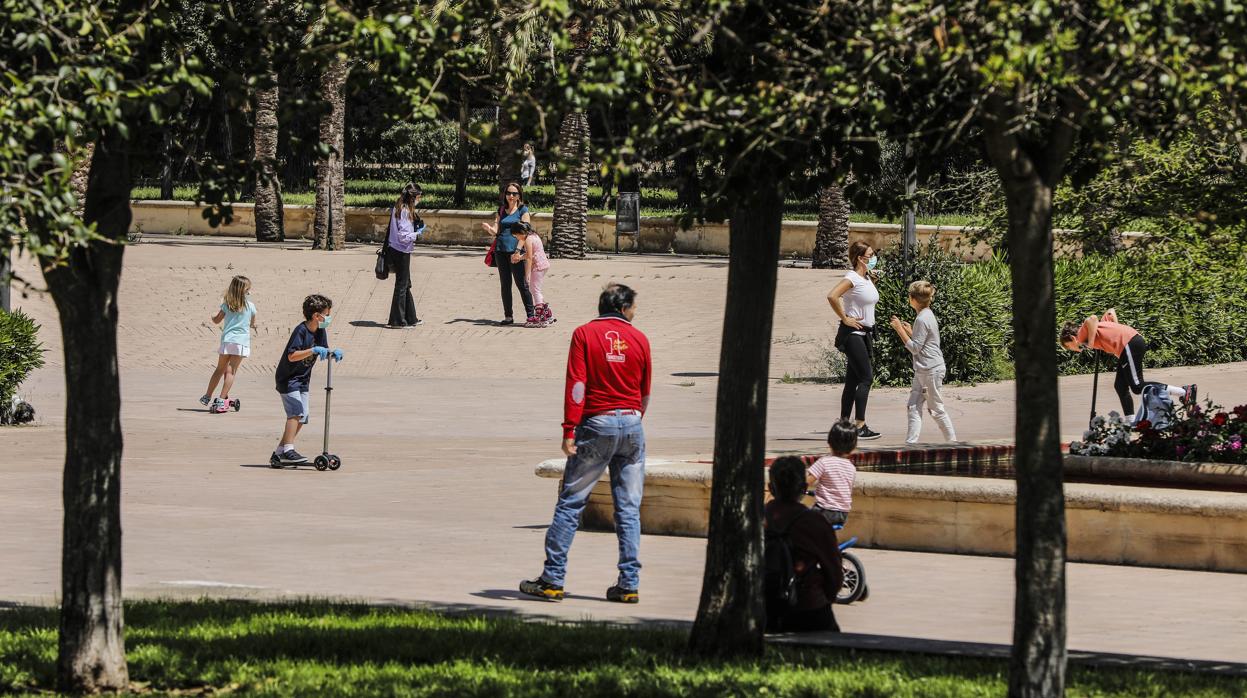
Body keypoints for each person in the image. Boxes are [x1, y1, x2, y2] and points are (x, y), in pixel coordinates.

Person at [520, 283, 652, 603]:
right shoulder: (640, 339)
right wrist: (632, 419)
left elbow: (577, 385)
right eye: (633, 307)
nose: (635, 313)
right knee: (629, 507)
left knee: (571, 501)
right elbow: (645, 390)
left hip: (597, 424)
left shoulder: (583, 334)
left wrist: (569, 430)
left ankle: (552, 579)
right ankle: (629, 583)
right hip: (632, 424)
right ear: (622, 308)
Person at [1060, 308, 1196, 421]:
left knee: (1137, 386)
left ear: (1072, 339)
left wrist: (1091, 342)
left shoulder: (1082, 334)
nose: (1071, 349)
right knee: (1120, 386)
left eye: (1069, 346)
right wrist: (1116, 330)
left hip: (1130, 343)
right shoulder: (1092, 331)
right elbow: (1110, 312)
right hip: (1127, 346)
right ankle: (1130, 421)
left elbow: (1092, 318)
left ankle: (1185, 392)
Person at [765, 455, 843, 633]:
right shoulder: (814, 522)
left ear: (771, 488)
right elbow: (834, 571)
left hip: (764, 603)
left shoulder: (757, 517)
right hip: (808, 604)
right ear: (804, 488)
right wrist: (825, 597)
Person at [272, 294, 343, 465]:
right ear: (316, 315)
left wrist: (333, 353)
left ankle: (279, 452)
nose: (328, 317)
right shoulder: (301, 331)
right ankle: (289, 449)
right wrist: (312, 350)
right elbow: (292, 355)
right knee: (296, 412)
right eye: (326, 314)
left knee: (303, 416)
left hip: (303, 380)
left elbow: (323, 350)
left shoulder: (320, 330)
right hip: (288, 379)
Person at [890, 280, 957, 444]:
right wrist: (911, 332)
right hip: (924, 369)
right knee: (913, 406)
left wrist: (899, 329)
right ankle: (910, 444)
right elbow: (925, 342)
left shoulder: (922, 318)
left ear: (912, 299)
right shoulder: (927, 314)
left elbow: (915, 348)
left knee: (936, 409)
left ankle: (953, 444)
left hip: (930, 369)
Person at [827, 241, 881, 440]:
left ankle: (842, 425)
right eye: (871, 255)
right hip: (852, 335)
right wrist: (845, 318)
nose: (874, 258)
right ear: (860, 258)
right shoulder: (851, 278)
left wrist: (872, 281)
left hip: (864, 334)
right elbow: (832, 296)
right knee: (866, 378)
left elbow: (864, 301)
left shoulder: (865, 277)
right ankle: (860, 425)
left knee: (852, 381)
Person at [200, 275, 256, 413]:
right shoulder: (251, 306)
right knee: (231, 371)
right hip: (241, 342)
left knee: (220, 369)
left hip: (228, 340)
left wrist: (213, 316)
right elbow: (252, 323)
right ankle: (221, 399)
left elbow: (216, 320)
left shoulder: (227, 304)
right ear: (245, 290)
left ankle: (207, 396)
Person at [481, 181, 535, 325]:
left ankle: (531, 315)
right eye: (508, 193)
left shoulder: (523, 210)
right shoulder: (501, 210)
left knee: (521, 284)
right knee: (505, 284)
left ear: (519, 195)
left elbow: (526, 232)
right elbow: (496, 230)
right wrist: (488, 229)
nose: (511, 196)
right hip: (500, 251)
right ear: (505, 195)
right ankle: (508, 316)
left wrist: (518, 251)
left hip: (515, 252)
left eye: (514, 193)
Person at [384, 182, 425, 328]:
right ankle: (397, 321)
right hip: (401, 250)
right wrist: (417, 235)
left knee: (405, 283)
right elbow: (403, 235)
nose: (420, 199)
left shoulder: (397, 207)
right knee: (401, 285)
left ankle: (410, 317)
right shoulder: (405, 211)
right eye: (419, 196)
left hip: (396, 248)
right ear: (413, 197)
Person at [806, 419, 858, 526]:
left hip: (824, 511)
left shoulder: (824, 462)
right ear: (853, 447)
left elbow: (806, 483)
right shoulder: (851, 467)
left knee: (799, 519)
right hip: (843, 514)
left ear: (829, 443)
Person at [512, 221, 554, 327]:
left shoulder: (528, 239)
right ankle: (546, 313)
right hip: (543, 264)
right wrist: (520, 258)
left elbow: (530, 257)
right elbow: (530, 253)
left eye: (516, 235)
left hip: (538, 266)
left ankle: (540, 316)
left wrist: (527, 274)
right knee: (535, 289)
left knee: (535, 290)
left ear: (521, 232)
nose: (517, 238)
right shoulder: (533, 236)